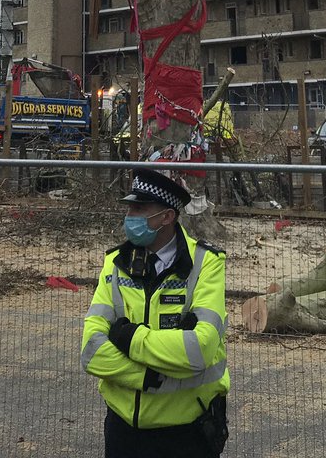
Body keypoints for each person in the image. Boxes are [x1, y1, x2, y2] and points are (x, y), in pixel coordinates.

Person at [82, 168, 229, 457]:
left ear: (166, 217)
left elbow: (199, 350)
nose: (129, 217)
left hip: (187, 431)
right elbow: (91, 349)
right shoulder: (115, 262)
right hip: (124, 429)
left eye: (139, 209)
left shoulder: (206, 264)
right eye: (129, 209)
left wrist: (130, 338)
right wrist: (148, 377)